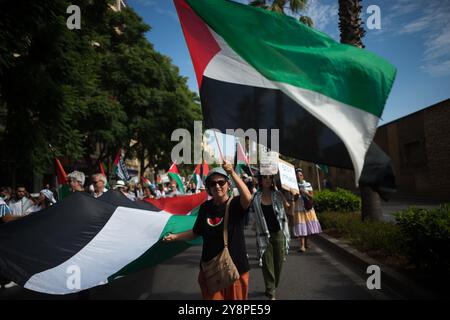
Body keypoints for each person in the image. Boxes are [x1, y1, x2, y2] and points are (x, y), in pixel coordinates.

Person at [163, 162, 252, 300]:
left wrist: (232, 173)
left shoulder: (235, 204)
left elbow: (247, 197)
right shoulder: (205, 207)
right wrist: (175, 237)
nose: (217, 186)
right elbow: (195, 232)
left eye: (221, 182)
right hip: (210, 270)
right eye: (212, 183)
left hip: (235, 269)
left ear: (228, 184)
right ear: (209, 187)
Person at [252, 173, 292, 300]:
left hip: (279, 233)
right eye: (265, 177)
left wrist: (293, 197)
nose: (268, 179)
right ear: (260, 180)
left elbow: (289, 210)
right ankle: (271, 291)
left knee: (279, 263)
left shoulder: (278, 195)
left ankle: (273, 286)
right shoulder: (256, 197)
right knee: (267, 264)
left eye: (270, 177)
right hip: (263, 234)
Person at [291, 168, 322, 252]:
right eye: (297, 176)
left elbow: (312, 196)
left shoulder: (308, 184)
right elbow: (294, 198)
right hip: (299, 208)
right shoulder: (293, 185)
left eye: (300, 175)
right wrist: (297, 194)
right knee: (301, 226)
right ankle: (302, 246)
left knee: (306, 226)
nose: (299, 177)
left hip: (307, 208)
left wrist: (305, 192)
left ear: (302, 176)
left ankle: (306, 243)